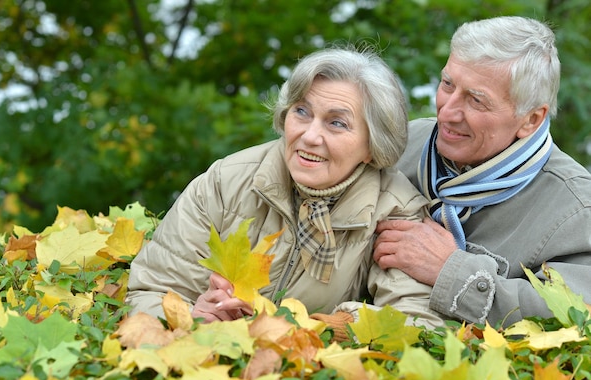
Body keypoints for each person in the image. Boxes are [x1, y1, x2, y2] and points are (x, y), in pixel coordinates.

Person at [126, 43, 445, 335]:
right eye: (302, 112)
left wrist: (312, 329)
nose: (309, 136)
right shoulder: (227, 182)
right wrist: (192, 320)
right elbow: (150, 289)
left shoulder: (395, 209)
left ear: (372, 147)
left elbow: (417, 324)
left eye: (336, 123)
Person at [374, 16, 591, 328]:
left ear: (530, 119)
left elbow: (580, 316)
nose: (446, 112)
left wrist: (453, 271)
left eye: (476, 100)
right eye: (447, 84)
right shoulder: (398, 146)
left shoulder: (577, 210)